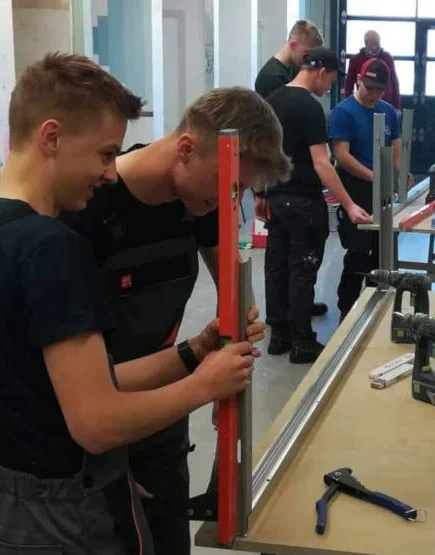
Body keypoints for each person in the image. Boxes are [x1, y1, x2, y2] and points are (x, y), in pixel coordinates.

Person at [0, 53, 261, 555]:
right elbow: (97, 421)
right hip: (67, 524)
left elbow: (69, 387)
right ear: (51, 138)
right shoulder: (51, 249)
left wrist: (192, 353)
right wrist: (203, 386)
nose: (109, 174)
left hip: (3, 511)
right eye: (104, 154)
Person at [57, 87, 290, 555]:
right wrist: (110, 465)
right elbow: (71, 389)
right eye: (228, 186)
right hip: (92, 421)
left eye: (241, 191)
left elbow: (232, 285)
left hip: (166, 404)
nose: (230, 201)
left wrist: (228, 350)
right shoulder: (87, 209)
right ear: (185, 149)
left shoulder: (200, 200)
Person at [264, 47, 372, 362]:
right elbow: (322, 164)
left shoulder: (272, 101)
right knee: (302, 270)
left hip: (276, 198)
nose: (329, 88)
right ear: (322, 72)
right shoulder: (310, 108)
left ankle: (279, 336)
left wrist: (261, 194)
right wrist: (349, 205)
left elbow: (263, 154)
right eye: (331, 81)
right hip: (303, 202)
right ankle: (303, 342)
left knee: (277, 266)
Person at [255, 18, 329, 318]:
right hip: (285, 183)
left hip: (286, 180)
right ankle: (287, 316)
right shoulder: (271, 80)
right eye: (307, 54)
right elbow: (267, 141)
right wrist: (261, 190)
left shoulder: (287, 75)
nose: (309, 62)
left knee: (289, 258)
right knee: (287, 260)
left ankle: (292, 310)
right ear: (293, 44)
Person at [330, 59, 406, 321]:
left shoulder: (388, 112)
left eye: (379, 90)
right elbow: (341, 156)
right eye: (369, 88)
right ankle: (347, 313)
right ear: (359, 80)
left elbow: (396, 147)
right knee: (358, 255)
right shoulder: (344, 112)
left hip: (383, 191)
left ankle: (378, 311)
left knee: (383, 255)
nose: (374, 94)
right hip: (356, 189)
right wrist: (373, 176)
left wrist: (399, 174)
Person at [255, 19, 325, 99]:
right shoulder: (271, 77)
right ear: (293, 45)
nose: (309, 58)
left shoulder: (295, 67)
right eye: (307, 53)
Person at [343, 30, 401, 111]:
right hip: (364, 103)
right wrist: (348, 106)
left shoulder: (387, 58)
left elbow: (394, 82)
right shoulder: (356, 60)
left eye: (378, 43)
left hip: (386, 103)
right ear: (366, 43)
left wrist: (397, 106)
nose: (378, 46)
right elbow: (349, 85)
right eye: (374, 43)